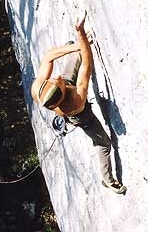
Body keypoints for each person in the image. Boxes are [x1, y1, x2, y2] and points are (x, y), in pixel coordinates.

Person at [31, 11, 126, 194]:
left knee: (73, 57)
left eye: (52, 79)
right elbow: (87, 65)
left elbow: (49, 56)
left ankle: (71, 49)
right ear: (64, 91)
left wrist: (76, 46)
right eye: (56, 81)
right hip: (82, 117)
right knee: (103, 143)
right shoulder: (76, 100)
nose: (55, 76)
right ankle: (108, 180)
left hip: (64, 91)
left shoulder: (38, 89)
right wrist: (80, 33)